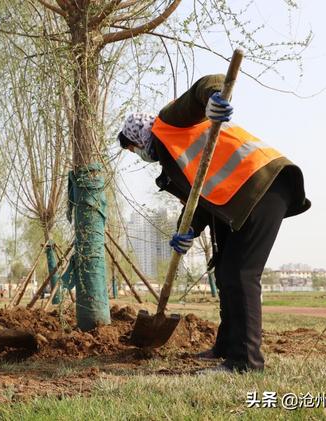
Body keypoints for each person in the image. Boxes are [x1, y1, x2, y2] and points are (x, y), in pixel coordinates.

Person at [118, 75, 310, 373]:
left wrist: (215, 98)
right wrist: (187, 231)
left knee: (241, 273)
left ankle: (246, 362)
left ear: (138, 136)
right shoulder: (173, 160)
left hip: (262, 182)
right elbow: (198, 203)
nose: (139, 155)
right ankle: (227, 346)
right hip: (236, 197)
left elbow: (205, 85)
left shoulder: (169, 122)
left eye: (134, 149)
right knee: (225, 270)